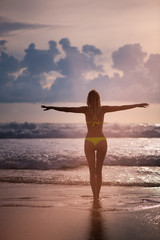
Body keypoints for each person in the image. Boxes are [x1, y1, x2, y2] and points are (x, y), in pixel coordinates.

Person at [41, 89, 149, 201]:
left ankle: (95, 197)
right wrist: (137, 105)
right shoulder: (103, 109)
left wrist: (52, 107)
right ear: (99, 99)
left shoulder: (85, 110)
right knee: (99, 171)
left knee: (92, 172)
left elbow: (68, 110)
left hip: (89, 141)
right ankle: (98, 195)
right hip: (101, 140)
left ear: (88, 99)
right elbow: (121, 107)